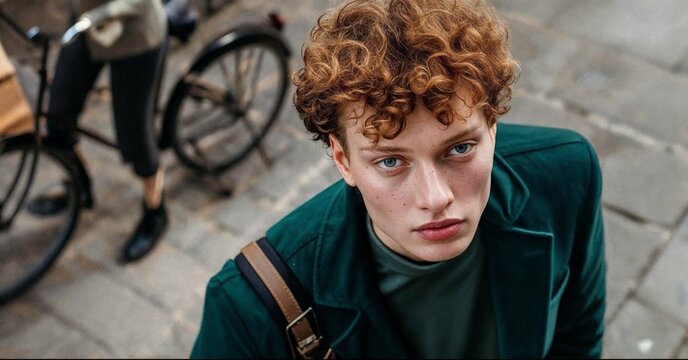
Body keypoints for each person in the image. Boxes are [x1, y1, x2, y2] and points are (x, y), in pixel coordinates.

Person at [191, 0, 606, 358]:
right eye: (391, 161)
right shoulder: (248, 307)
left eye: (460, 148)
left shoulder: (567, 175)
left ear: (492, 129)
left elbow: (578, 337)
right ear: (343, 161)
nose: (436, 197)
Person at [29, 0, 169, 262]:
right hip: (88, 28)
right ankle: (79, 188)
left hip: (134, 34)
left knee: (136, 136)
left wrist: (98, 15)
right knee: (58, 117)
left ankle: (155, 210)